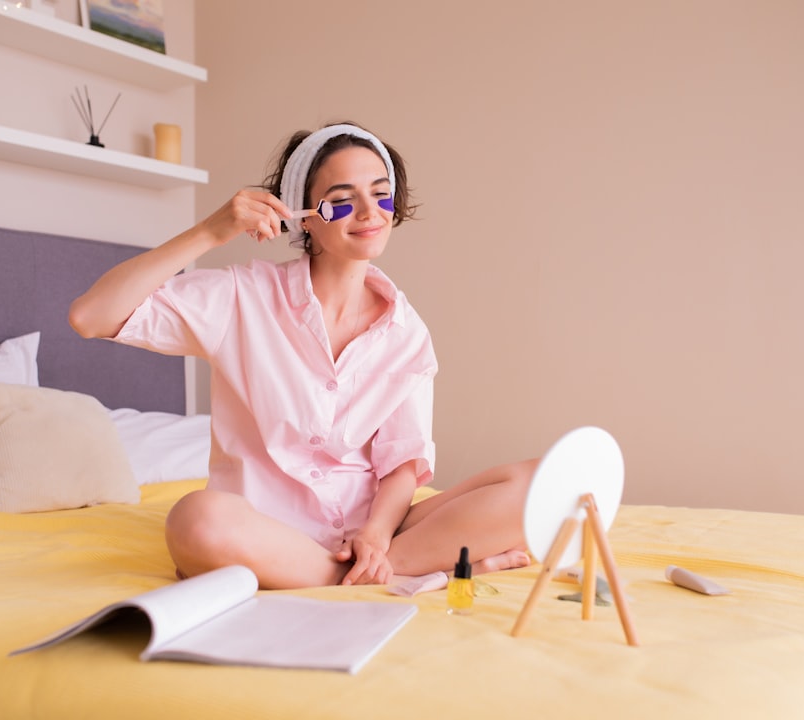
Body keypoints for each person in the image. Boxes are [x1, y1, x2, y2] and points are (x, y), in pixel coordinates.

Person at [69, 122, 535, 590]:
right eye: (343, 199)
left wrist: (374, 535)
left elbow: (402, 463)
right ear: (305, 216)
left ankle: (368, 569)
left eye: (382, 194)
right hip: (262, 530)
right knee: (196, 519)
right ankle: (400, 572)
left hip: (376, 532)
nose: (370, 212)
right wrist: (212, 231)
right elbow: (91, 316)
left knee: (544, 481)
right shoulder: (241, 298)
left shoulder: (405, 329)